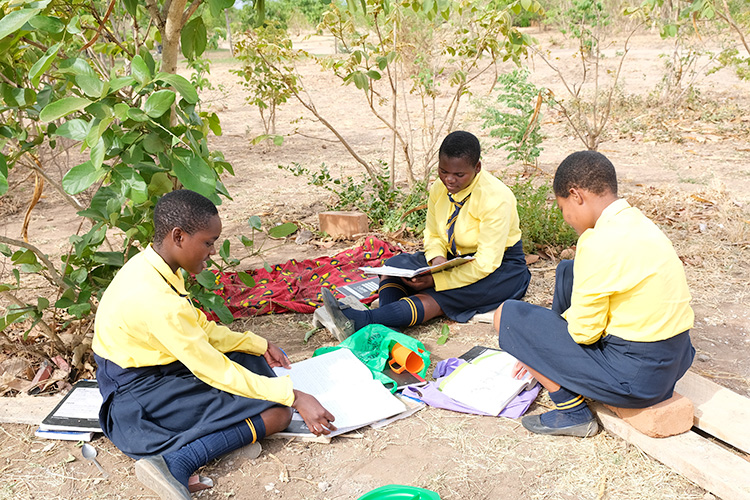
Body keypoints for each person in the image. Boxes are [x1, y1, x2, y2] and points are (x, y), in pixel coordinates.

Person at [92, 190, 335, 500]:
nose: (212, 252)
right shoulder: (157, 300)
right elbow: (212, 369)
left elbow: (199, 329)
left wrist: (255, 343)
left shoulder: (151, 266)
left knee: (250, 359)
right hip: (137, 400)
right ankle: (176, 463)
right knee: (278, 413)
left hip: (153, 370)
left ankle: (205, 435)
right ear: (178, 236)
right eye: (208, 243)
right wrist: (294, 396)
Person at [494, 151, 695, 437]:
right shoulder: (638, 222)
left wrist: (536, 346)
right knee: (568, 271)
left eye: (563, 208)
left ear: (576, 195)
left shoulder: (597, 242)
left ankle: (571, 410)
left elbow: (583, 334)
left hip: (636, 379)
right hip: (675, 361)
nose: (566, 218)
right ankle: (549, 361)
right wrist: (543, 343)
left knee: (508, 316)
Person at [322, 130, 530, 337]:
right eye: (443, 171)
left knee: (446, 295)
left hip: (499, 267)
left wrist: (436, 280)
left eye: (459, 175)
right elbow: (434, 234)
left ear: (477, 167)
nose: (449, 180)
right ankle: (391, 322)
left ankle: (364, 320)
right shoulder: (439, 189)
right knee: (395, 266)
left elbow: (485, 263)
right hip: (454, 259)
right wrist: (437, 262)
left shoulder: (495, 198)